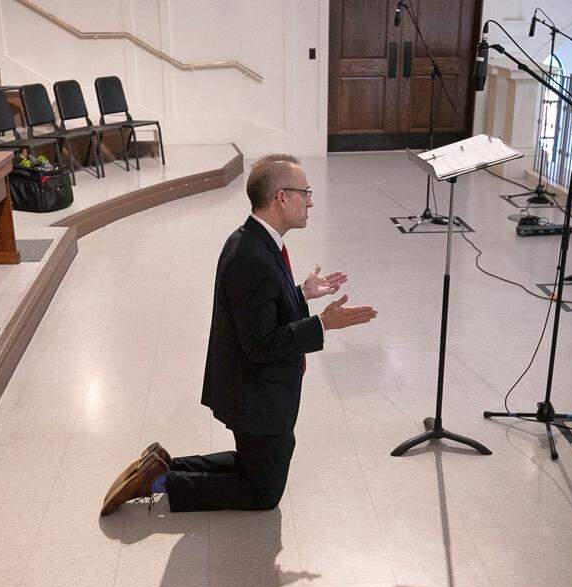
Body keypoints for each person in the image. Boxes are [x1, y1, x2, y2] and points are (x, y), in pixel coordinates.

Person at [100, 154, 377, 515]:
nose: (310, 201)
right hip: (255, 395)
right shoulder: (252, 257)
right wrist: (323, 323)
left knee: (258, 466)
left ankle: (164, 464)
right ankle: (161, 481)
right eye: (304, 192)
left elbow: (261, 309)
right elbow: (261, 344)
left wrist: (302, 293)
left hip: (257, 388)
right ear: (281, 196)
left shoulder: (256, 240)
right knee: (263, 493)